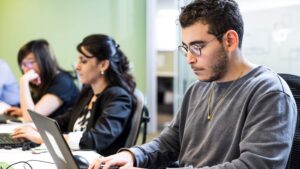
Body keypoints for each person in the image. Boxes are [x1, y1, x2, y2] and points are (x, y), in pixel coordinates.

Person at [89, 0, 297, 169]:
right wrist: (133, 155)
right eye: (186, 48)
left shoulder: (269, 93)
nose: (189, 59)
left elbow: (254, 166)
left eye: (198, 47)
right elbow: (170, 141)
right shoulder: (198, 88)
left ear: (230, 41)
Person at [12, 34, 137, 156]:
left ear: (103, 65)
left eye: (83, 61)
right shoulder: (89, 91)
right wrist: (37, 128)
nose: (77, 66)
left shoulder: (119, 97)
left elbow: (96, 139)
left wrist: (44, 138)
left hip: (94, 162)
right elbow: (66, 119)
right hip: (72, 156)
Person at [6, 39, 79, 121]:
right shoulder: (42, 81)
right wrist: (21, 111)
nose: (25, 69)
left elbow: (30, 119)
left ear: (44, 61)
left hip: (62, 133)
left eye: (29, 63)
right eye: (23, 65)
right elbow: (34, 111)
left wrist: (24, 81)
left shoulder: (63, 82)